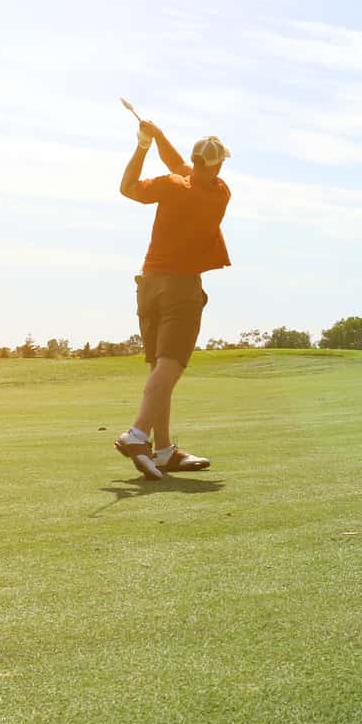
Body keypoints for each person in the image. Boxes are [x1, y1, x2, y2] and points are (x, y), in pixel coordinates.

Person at [113, 116, 231, 479]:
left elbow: (129, 187)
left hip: (148, 284)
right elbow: (181, 167)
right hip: (181, 288)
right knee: (171, 365)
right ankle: (137, 434)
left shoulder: (172, 184)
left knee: (159, 366)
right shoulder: (219, 192)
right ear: (219, 164)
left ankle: (163, 449)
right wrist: (159, 136)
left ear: (194, 162)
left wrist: (145, 143)